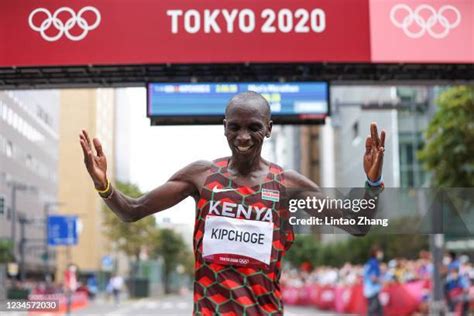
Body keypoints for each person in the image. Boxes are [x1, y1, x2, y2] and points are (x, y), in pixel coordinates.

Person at [79, 91, 386, 315]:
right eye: (234, 127)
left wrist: (371, 184)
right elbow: (132, 211)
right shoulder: (202, 176)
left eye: (253, 127)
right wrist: (102, 183)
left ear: (268, 128)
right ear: (224, 126)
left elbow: (356, 226)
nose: (243, 136)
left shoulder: (286, 184)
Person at [363, 246, 384, 316]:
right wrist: (382, 282)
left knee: (378, 308)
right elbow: (373, 277)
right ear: (375, 253)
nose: (381, 254)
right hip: (373, 289)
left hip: (369, 289)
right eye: (379, 252)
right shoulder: (374, 263)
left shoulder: (370, 262)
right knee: (374, 308)